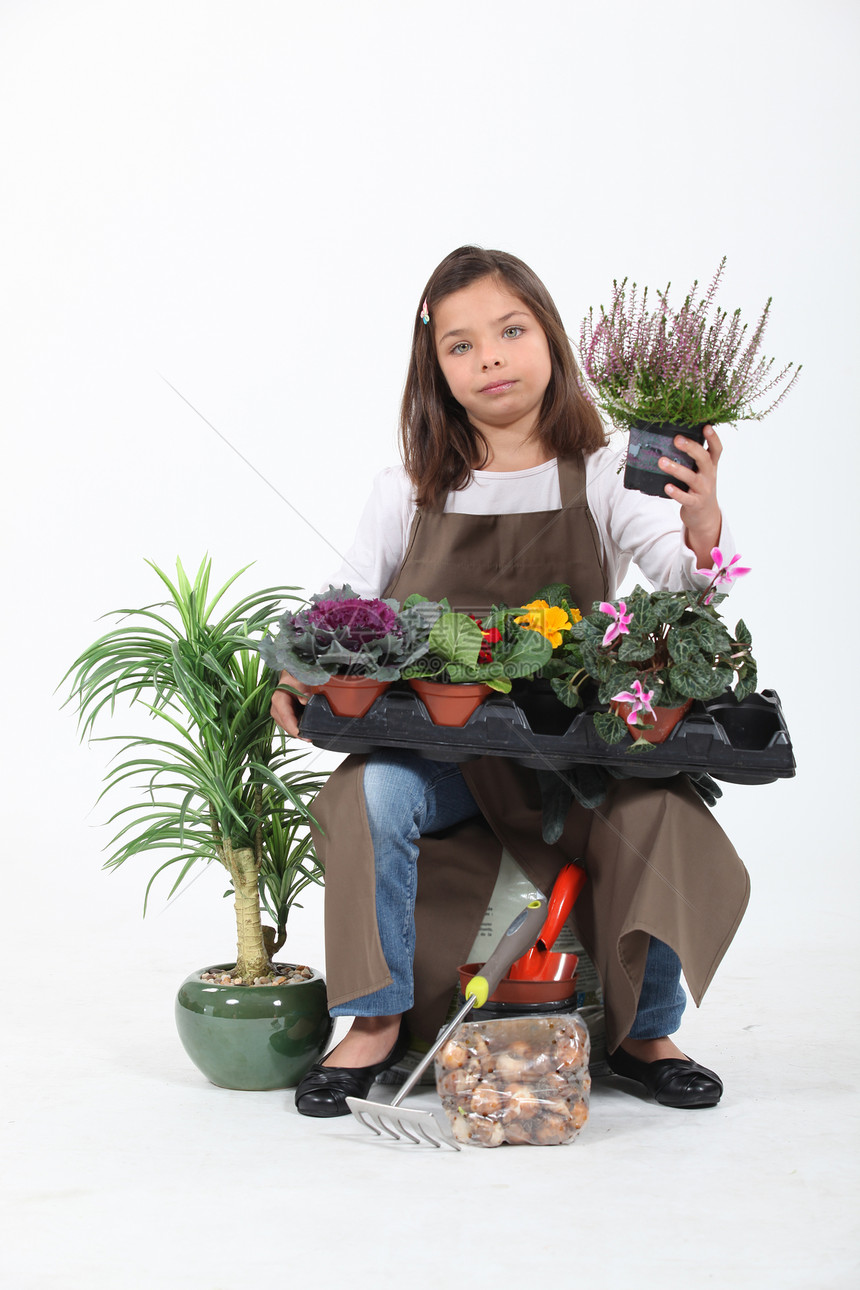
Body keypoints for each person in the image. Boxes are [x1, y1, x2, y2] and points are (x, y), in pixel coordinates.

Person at [271, 246, 749, 1118]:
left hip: (570, 757)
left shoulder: (605, 474)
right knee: (369, 791)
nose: (489, 356)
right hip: (442, 761)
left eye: (510, 330)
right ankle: (373, 1022)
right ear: (437, 371)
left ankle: (649, 1032)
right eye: (460, 345)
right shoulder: (409, 488)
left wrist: (703, 519)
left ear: (551, 342)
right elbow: (343, 609)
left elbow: (685, 582)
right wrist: (300, 673)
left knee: (665, 809)